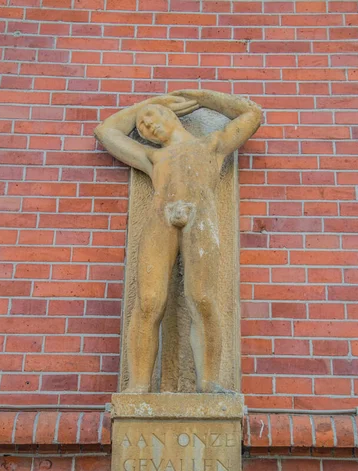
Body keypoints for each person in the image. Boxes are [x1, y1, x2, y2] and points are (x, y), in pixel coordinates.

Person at [94, 89, 262, 393]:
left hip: (200, 217)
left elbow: (252, 115)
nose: (146, 126)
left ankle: (209, 382)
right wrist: (146, 105)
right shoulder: (153, 157)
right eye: (142, 125)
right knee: (148, 302)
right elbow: (106, 131)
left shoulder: (211, 145)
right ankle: (139, 385)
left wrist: (202, 97)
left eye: (152, 118)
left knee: (202, 298)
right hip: (161, 218)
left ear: (172, 115)